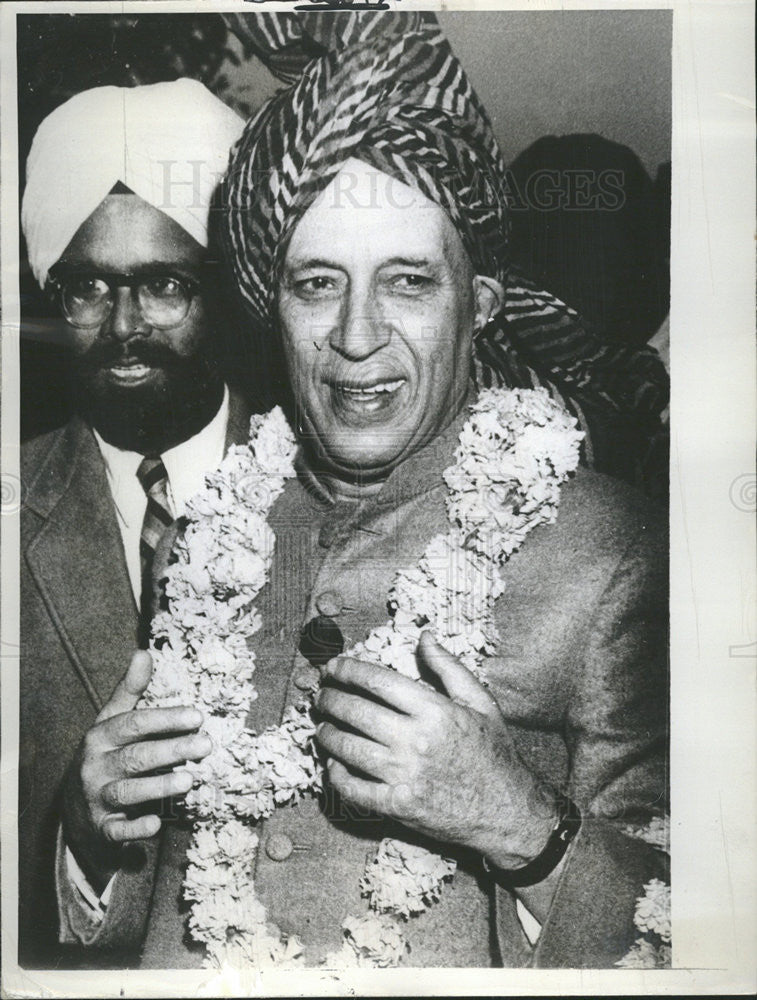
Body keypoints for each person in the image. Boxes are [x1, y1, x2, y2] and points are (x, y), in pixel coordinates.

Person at [57, 14, 669, 970]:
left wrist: (519, 823)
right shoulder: (209, 530)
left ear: (482, 305)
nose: (355, 338)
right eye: (315, 284)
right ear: (272, 308)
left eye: (408, 282)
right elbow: (162, 895)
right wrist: (96, 836)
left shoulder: (614, 550)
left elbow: (692, 934)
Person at [19, 79, 246, 966]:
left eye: (163, 285)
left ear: (228, 291)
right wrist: (76, 845)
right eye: (85, 289)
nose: (122, 326)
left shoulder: (330, 484)